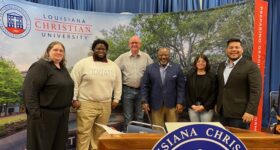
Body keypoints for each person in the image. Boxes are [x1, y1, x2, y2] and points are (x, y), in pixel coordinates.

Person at [71, 39, 122, 150]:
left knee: (99, 134)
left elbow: (118, 84)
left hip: (105, 105)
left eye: (103, 49)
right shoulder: (82, 64)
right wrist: (74, 98)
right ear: (93, 49)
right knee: (84, 133)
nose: (101, 50)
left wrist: (116, 99)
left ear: (106, 51)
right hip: (86, 104)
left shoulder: (114, 66)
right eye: (98, 48)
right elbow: (74, 82)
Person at [23, 41, 74, 150]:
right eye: (55, 50)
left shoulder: (62, 68)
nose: (59, 52)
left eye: (61, 50)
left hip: (62, 114)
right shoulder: (41, 66)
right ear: (48, 51)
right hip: (44, 115)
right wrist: (35, 114)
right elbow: (30, 90)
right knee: (42, 146)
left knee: (59, 146)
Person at [216, 38, 262, 129]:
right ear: (226, 50)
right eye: (231, 47)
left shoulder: (251, 66)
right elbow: (221, 87)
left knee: (240, 142)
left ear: (242, 50)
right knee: (223, 142)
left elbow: (255, 91)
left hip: (240, 115)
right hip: (222, 112)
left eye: (237, 47)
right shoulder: (221, 66)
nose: (234, 50)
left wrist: (250, 111)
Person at [114, 35, 153, 131]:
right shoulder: (122, 57)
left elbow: (152, 72)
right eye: (132, 43)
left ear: (140, 45)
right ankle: (128, 139)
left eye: (136, 43)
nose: (134, 44)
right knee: (128, 117)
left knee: (140, 117)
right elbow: (113, 69)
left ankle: (138, 139)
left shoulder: (146, 57)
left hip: (142, 92)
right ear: (129, 45)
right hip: (127, 90)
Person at [141, 47, 185, 128]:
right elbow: (144, 86)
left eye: (166, 55)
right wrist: (144, 101)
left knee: (173, 130)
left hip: (172, 105)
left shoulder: (177, 68)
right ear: (157, 56)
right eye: (161, 55)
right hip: (156, 104)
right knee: (157, 130)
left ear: (169, 56)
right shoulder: (150, 68)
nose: (163, 57)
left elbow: (181, 87)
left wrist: (180, 102)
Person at [186, 54, 217, 122]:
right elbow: (187, 92)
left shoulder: (212, 76)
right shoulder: (190, 75)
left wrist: (204, 107)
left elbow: (214, 93)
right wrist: (192, 105)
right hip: (193, 108)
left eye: (203, 61)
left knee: (205, 129)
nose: (201, 63)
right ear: (195, 63)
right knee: (195, 129)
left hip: (207, 108)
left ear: (206, 63)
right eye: (198, 61)